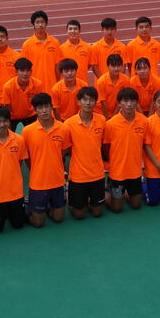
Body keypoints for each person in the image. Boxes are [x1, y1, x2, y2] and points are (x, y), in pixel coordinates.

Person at [21, 93, 68, 228]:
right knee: (38, 223)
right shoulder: (27, 131)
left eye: (46, 107)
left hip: (58, 181)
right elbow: (27, 157)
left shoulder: (63, 128)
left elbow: (64, 152)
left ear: (51, 107)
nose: (44, 111)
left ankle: (45, 206)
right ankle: (26, 209)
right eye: (40, 108)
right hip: (38, 183)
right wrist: (36, 169)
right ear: (35, 110)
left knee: (58, 218)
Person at [63, 87, 106, 219]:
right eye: (85, 100)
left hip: (97, 174)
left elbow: (104, 144)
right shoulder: (69, 124)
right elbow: (66, 150)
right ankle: (68, 195)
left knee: (97, 213)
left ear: (96, 102)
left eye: (91, 100)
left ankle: (95, 197)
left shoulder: (102, 120)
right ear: (78, 102)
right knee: (79, 215)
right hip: (78, 175)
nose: (88, 103)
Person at [102, 87, 148, 213]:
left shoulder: (144, 121)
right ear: (119, 103)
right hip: (118, 172)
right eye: (125, 101)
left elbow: (145, 145)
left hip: (135, 171)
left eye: (132, 101)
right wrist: (114, 161)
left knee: (136, 205)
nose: (129, 104)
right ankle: (103, 194)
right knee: (117, 209)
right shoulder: (111, 124)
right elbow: (106, 147)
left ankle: (124, 193)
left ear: (137, 103)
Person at [21, 10, 63, 88]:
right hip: (34, 87)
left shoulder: (55, 42)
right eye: (37, 22)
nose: (40, 25)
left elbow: (57, 66)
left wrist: (57, 83)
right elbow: (24, 68)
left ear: (46, 23)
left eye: (42, 22)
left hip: (52, 85)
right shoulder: (27, 44)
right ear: (33, 24)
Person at [1, 57, 42, 131]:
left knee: (35, 133)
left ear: (31, 71)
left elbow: (39, 104)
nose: (25, 74)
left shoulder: (38, 84)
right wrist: (8, 125)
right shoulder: (7, 86)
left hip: (30, 115)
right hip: (13, 116)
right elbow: (7, 107)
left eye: (28, 71)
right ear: (16, 72)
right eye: (22, 71)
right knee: (8, 134)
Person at [0, 25, 22, 97]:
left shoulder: (17, 56)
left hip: (12, 96)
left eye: (2, 37)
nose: (0, 39)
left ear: (7, 38)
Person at [95, 53, 130, 119]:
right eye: (113, 66)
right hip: (101, 112)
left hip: (118, 111)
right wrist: (106, 119)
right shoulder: (101, 81)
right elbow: (103, 103)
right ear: (108, 66)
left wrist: (114, 116)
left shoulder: (126, 80)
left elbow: (122, 101)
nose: (116, 68)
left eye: (118, 65)